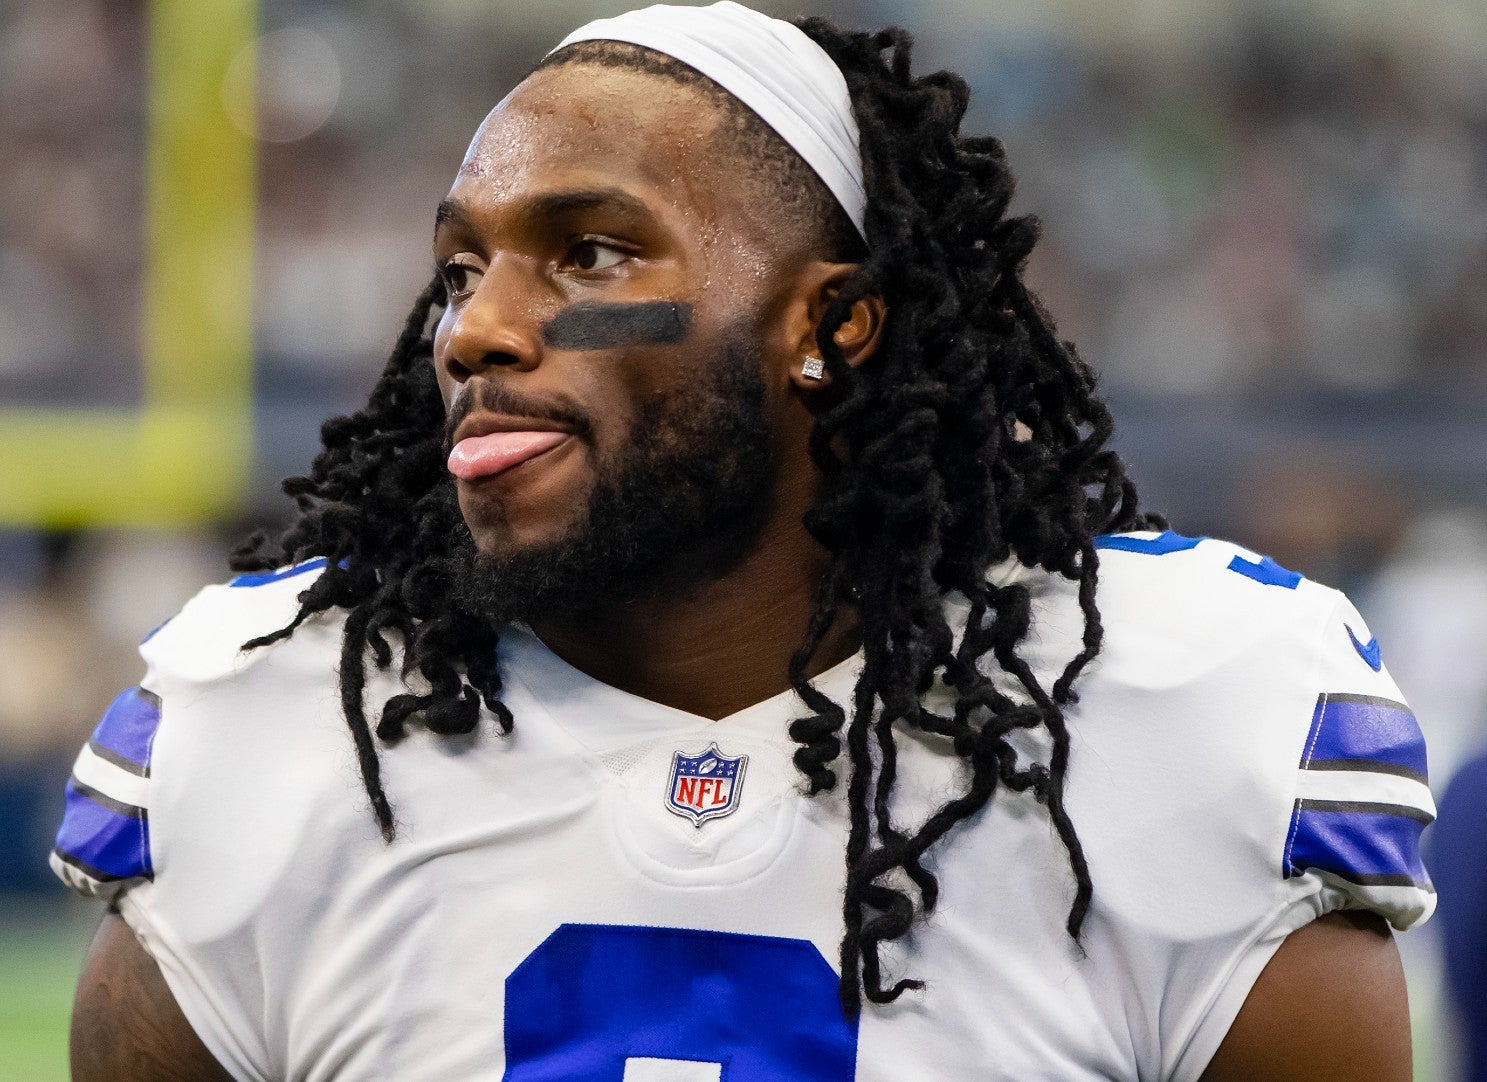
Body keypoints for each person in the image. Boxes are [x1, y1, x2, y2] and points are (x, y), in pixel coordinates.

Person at [53, 4, 1435, 1079]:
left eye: (591, 255)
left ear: (830, 326)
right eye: (462, 266)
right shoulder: (282, 719)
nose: (471, 326)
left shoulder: (1169, 721)